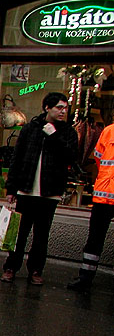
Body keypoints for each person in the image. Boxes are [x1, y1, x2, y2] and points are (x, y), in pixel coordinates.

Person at [0, 92, 78, 285]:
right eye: (59, 107)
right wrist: (11, 189)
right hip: (26, 191)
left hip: (50, 193)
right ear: (47, 108)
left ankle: (35, 270)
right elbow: (17, 158)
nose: (63, 111)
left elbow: (70, 157)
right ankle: (11, 267)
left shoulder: (68, 132)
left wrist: (54, 136)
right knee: (19, 233)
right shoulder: (30, 129)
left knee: (41, 236)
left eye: (65, 108)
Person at [67, 122, 114, 292]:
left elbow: (99, 158)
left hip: (104, 193)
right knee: (94, 239)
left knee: (95, 239)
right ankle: (85, 277)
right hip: (103, 196)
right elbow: (99, 157)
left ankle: (86, 277)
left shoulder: (109, 131)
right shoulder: (109, 131)